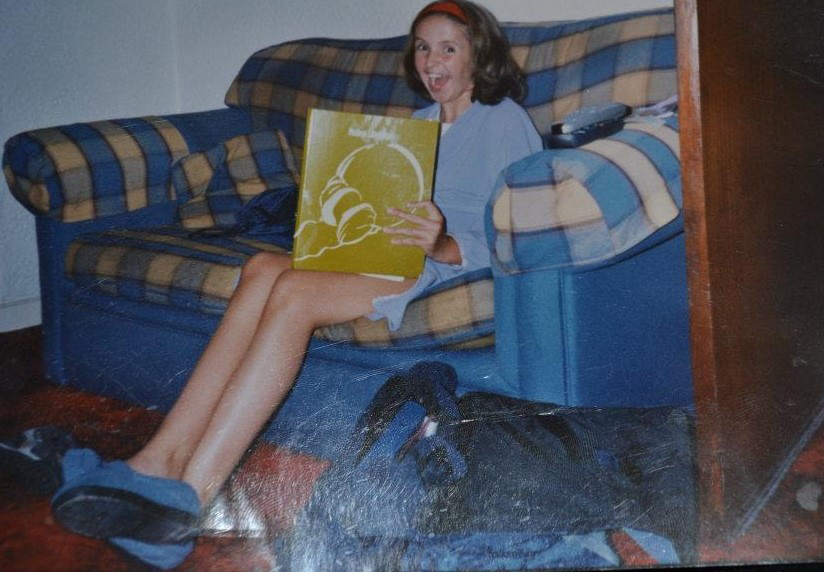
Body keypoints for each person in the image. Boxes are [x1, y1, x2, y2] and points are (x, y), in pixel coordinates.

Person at [48, 1, 542, 568]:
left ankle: (191, 497)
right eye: (423, 47)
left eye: (447, 47)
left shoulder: (504, 120)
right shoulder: (419, 125)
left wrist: (441, 243)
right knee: (262, 266)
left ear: (478, 53)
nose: (432, 60)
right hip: (379, 251)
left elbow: (514, 225)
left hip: (435, 264)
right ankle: (156, 460)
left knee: (291, 293)